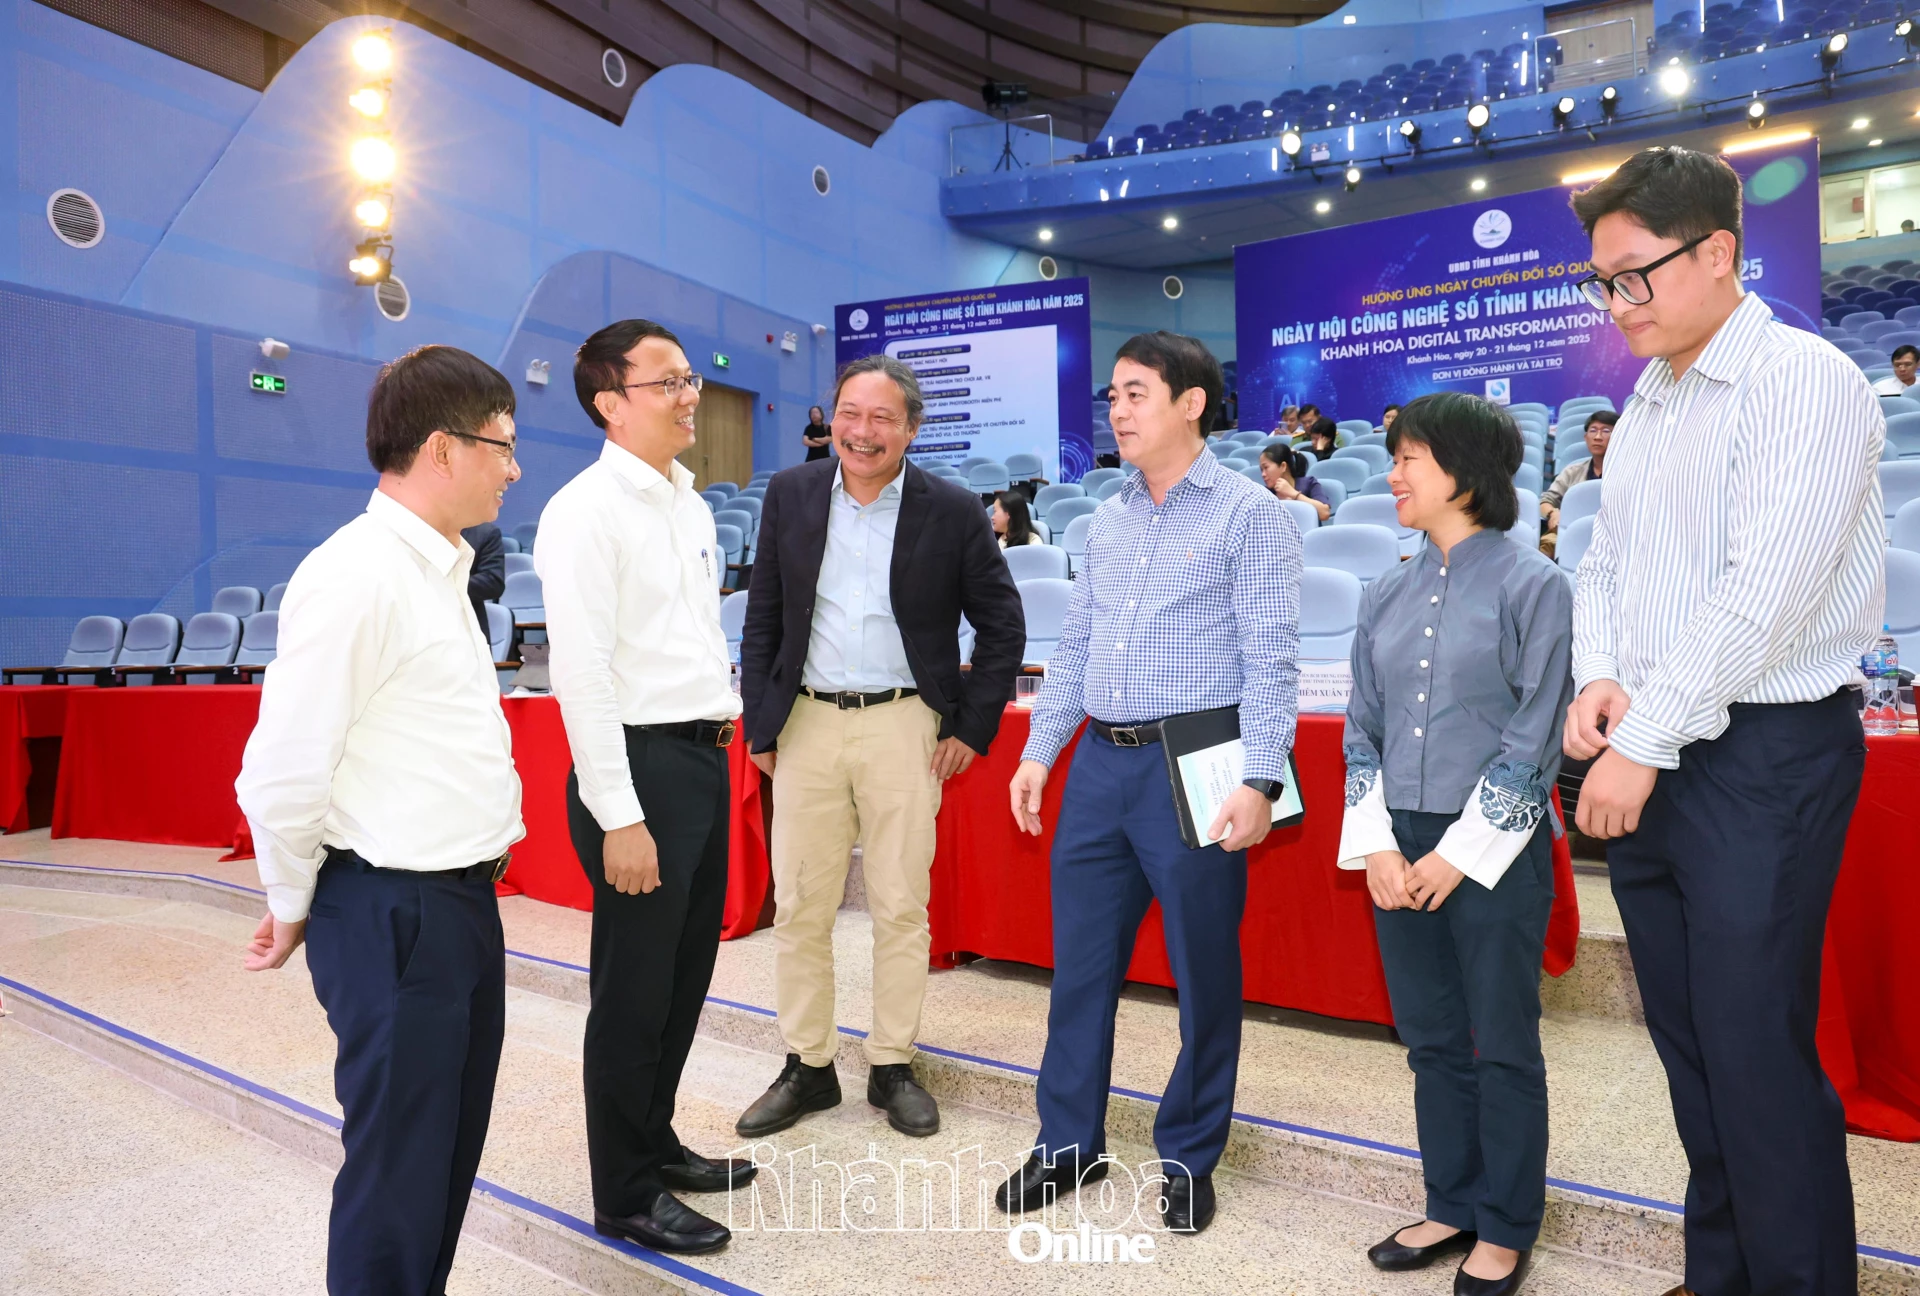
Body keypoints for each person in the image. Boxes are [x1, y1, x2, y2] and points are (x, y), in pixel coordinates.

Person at [1568, 146, 1883, 1296]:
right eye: (1602, 283)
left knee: (1756, 1053)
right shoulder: (1652, 399)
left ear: (1718, 253)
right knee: (1693, 1047)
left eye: (1634, 277)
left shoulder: (1801, 382)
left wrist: (1643, 741)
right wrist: (1600, 677)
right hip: (1658, 739)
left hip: (1763, 754)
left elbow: (1766, 594)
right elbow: (1605, 565)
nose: (1617, 304)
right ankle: (1724, 1276)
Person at [236, 345, 525, 1296]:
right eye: (502, 447)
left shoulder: (437, 569)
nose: (513, 469)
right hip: (396, 914)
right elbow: (283, 770)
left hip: (456, 906)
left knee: (441, 1161)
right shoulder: (358, 574)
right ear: (443, 448)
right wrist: (291, 900)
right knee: (398, 1178)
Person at [999, 331, 1301, 1235]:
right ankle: (1068, 1143)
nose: (1117, 411)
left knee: (1203, 971)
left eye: (1136, 394)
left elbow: (1272, 660)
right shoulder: (1109, 517)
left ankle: (1191, 1155)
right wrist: (1040, 750)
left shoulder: (1250, 515)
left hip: (1196, 762)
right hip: (1100, 763)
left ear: (1190, 403)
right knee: (1081, 967)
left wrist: (1262, 777)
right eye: (1113, 396)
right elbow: (1077, 646)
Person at [734, 354, 1026, 1141]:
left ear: (911, 429)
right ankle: (808, 1065)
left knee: (900, 904)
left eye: (882, 418)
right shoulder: (792, 493)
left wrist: (971, 727)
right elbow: (764, 616)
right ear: (831, 419)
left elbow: (1003, 626)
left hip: (904, 725)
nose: (862, 433)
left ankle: (892, 1063)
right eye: (850, 415)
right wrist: (761, 722)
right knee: (801, 904)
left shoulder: (952, 509)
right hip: (806, 722)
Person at [1339, 392, 1572, 1296]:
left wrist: (1457, 855)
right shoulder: (1384, 592)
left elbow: (1534, 738)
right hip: (1398, 840)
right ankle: (1453, 1201)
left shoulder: (1534, 585)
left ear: (1466, 472)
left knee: (1502, 1041)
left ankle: (1506, 1224)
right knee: (1431, 1038)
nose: (1393, 474)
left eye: (1410, 459)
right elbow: (1362, 730)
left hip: (1495, 845)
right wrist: (1378, 847)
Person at [536, 319, 757, 1256]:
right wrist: (618, 815)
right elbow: (581, 675)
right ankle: (623, 1191)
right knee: (632, 994)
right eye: (666, 382)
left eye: (689, 378)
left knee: (683, 978)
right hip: (639, 772)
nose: (688, 395)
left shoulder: (687, 504)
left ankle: (654, 1139)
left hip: (701, 759)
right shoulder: (584, 512)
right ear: (609, 403)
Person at [1539, 409, 1615, 535]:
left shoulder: (1631, 472)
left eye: (1606, 431)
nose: (1597, 437)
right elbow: (1545, 501)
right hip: (1574, 534)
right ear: (1586, 438)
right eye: (1593, 431)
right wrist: (1553, 513)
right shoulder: (1572, 472)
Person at [1259, 445, 1332, 522]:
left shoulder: (1309, 483)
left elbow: (1324, 513)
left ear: (1283, 466)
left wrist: (1294, 494)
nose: (1263, 474)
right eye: (1261, 470)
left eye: (1266, 467)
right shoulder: (1264, 494)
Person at [462, 521, 504, 636]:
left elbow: (493, 582)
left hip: (467, 629)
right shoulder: (421, 532)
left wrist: (447, 583)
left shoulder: (484, 532)